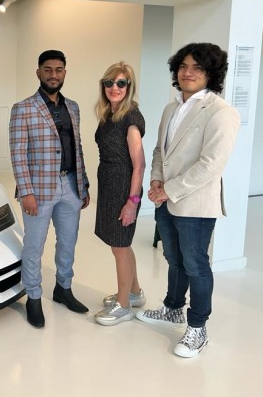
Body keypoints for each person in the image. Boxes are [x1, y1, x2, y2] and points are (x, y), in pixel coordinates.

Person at [135, 42, 241, 357]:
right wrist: (155, 179)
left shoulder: (222, 112)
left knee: (196, 265)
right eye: (183, 66)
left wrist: (169, 189)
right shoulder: (171, 108)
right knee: (174, 259)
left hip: (194, 203)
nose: (188, 72)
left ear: (211, 73)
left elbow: (211, 165)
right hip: (165, 198)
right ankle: (172, 308)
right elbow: (159, 150)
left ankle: (198, 328)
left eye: (197, 67)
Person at [9, 49, 90, 328]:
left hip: (70, 185)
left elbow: (77, 149)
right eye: (48, 69)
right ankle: (33, 296)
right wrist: (26, 191)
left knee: (68, 243)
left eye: (58, 70)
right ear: (38, 72)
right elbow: (18, 154)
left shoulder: (74, 107)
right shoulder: (24, 108)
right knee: (34, 246)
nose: (53, 75)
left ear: (64, 73)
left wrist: (84, 185)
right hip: (39, 190)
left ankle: (63, 289)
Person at [92, 61, 147, 326]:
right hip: (109, 185)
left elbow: (140, 164)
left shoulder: (130, 118)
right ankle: (134, 292)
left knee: (120, 248)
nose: (115, 88)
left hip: (124, 188)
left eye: (121, 83)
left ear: (129, 87)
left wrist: (132, 202)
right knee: (122, 245)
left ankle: (124, 305)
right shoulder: (108, 114)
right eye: (110, 83)